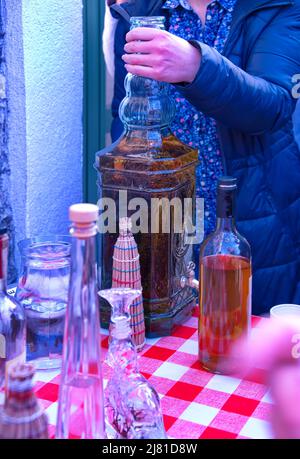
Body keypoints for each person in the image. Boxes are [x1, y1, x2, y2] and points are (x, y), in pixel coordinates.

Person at [104, 0, 300, 316]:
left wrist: (196, 66)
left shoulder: (276, 5)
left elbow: (272, 107)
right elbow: (125, 120)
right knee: (164, 340)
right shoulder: (140, 12)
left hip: (256, 224)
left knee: (252, 343)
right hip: (166, 228)